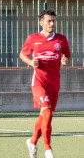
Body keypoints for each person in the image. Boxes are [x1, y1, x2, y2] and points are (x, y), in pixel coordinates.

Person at [20, 10, 71, 158]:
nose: (52, 23)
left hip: (54, 82)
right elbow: (23, 54)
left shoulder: (61, 39)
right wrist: (31, 62)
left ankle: (32, 142)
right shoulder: (33, 38)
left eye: (54, 21)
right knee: (47, 112)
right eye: (49, 21)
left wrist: (66, 60)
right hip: (38, 82)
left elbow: (67, 55)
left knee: (45, 115)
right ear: (41, 23)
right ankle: (48, 150)